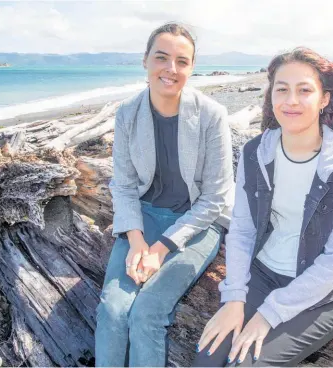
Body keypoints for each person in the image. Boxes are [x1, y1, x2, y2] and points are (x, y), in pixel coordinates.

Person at [193, 47, 333, 367]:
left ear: (323, 98)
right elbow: (242, 229)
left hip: (325, 290)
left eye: (304, 90)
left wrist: (268, 315)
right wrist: (235, 298)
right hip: (265, 272)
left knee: (246, 364)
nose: (291, 100)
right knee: (206, 360)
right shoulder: (256, 153)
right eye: (282, 89)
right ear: (271, 96)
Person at [95, 23, 234, 367]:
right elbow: (124, 185)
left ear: (191, 67)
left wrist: (160, 248)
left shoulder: (211, 116)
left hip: (198, 223)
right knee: (112, 310)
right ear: (145, 61)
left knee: (147, 314)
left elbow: (215, 197)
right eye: (161, 58)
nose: (170, 69)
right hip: (143, 218)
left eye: (181, 61)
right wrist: (137, 240)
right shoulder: (128, 112)